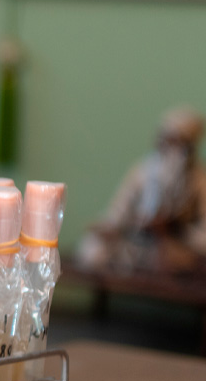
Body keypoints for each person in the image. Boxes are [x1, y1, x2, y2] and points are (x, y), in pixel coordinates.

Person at [77, 107, 206, 274]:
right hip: (135, 245)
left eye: (177, 141)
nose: (169, 146)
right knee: (93, 249)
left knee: (175, 262)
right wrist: (110, 228)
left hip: (172, 248)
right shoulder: (143, 172)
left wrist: (174, 229)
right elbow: (117, 213)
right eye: (166, 139)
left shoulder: (200, 180)